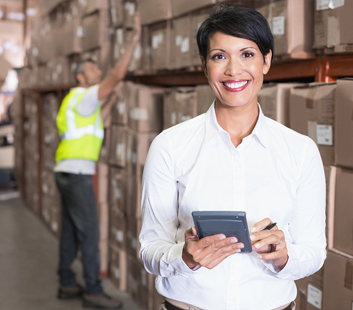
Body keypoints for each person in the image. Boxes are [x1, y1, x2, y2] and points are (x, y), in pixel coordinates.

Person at [139, 5, 326, 310]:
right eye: (219, 56)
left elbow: (315, 251)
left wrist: (284, 257)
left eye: (247, 54)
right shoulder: (170, 146)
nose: (233, 70)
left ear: (266, 61)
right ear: (205, 65)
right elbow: (150, 249)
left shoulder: (300, 151)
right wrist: (185, 257)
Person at [54, 12, 141, 310]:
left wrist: (115, 96)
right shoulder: (85, 95)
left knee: (70, 230)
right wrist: (134, 39)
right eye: (92, 69)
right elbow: (115, 75)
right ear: (81, 77)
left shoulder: (75, 101)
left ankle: (66, 281)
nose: (97, 71)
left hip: (65, 171)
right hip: (77, 174)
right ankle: (93, 290)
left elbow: (100, 119)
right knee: (89, 232)